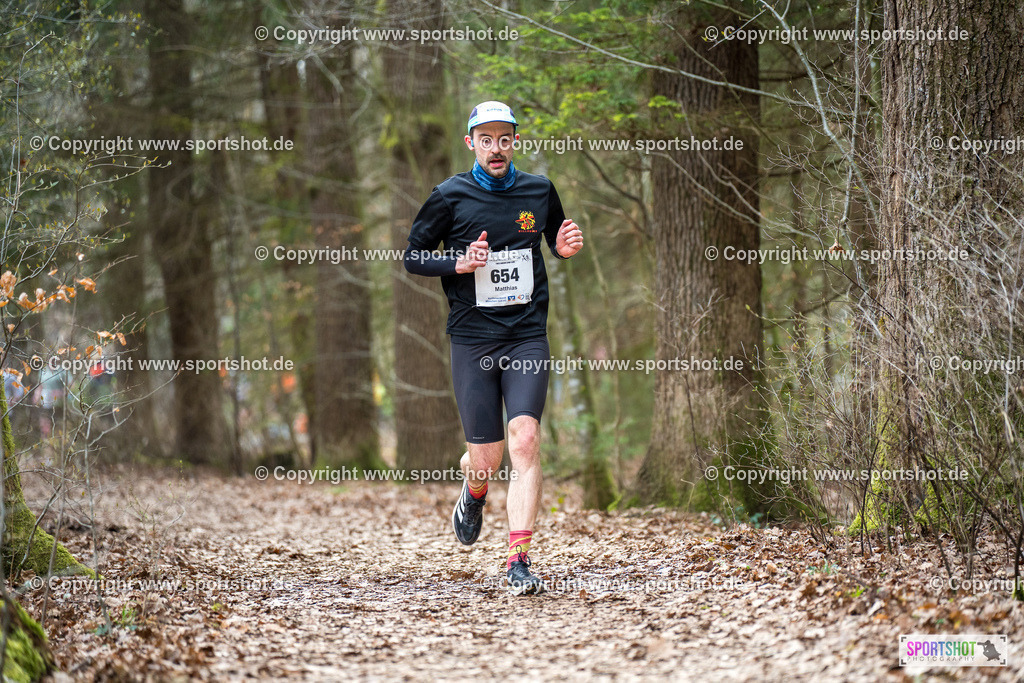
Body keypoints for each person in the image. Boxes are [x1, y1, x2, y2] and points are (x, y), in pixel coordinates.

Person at [403, 101, 583, 595]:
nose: (496, 148)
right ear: (471, 144)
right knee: (486, 455)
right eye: (486, 139)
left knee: (524, 438)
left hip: (526, 333)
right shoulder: (449, 196)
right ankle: (475, 486)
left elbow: (556, 240)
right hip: (472, 338)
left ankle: (518, 561)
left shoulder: (540, 190)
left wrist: (563, 248)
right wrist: (457, 262)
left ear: (514, 141)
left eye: (504, 138)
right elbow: (413, 257)